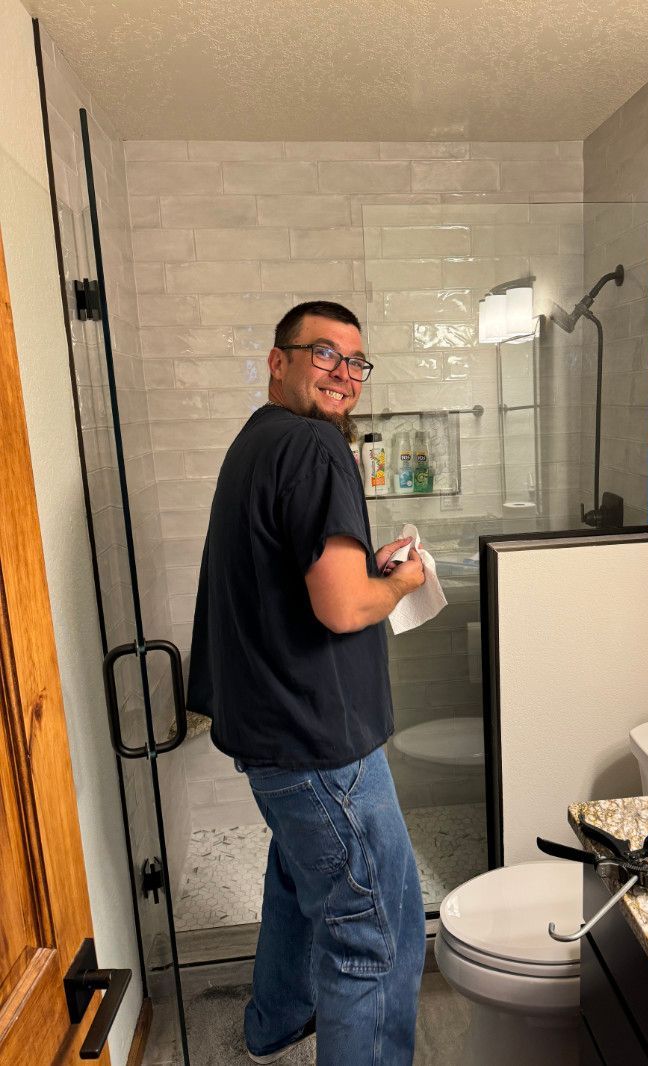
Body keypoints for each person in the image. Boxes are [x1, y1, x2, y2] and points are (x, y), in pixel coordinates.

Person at [187, 301, 427, 1065]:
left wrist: (365, 571)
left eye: (355, 362)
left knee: (300, 884)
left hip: (273, 738)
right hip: (324, 748)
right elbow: (342, 602)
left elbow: (293, 580)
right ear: (277, 360)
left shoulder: (255, 444)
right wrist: (401, 583)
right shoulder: (319, 450)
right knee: (375, 936)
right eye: (324, 354)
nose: (343, 374)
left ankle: (276, 1022)